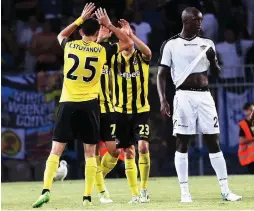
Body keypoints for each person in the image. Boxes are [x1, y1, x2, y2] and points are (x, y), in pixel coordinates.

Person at [32, 3, 132, 208]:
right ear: (97, 33)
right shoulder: (102, 50)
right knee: (90, 153)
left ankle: (46, 190)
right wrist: (110, 25)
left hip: (67, 103)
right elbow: (127, 42)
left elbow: (60, 35)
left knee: (55, 151)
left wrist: (79, 18)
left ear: (80, 31)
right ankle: (87, 197)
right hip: (89, 106)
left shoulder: (70, 45)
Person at [157, 7, 242, 203]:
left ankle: (225, 190)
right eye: (197, 20)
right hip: (183, 96)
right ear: (186, 20)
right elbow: (161, 75)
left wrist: (213, 60)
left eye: (201, 20)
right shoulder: (171, 44)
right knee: (183, 141)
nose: (200, 24)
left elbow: (217, 73)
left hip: (205, 96)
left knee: (214, 140)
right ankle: (185, 193)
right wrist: (163, 99)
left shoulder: (207, 43)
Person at [109, 20, 152, 204]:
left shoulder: (140, 56)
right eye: (123, 35)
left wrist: (132, 35)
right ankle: (134, 194)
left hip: (141, 110)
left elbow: (149, 52)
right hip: (120, 112)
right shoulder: (113, 58)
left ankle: (143, 189)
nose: (126, 38)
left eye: (129, 35)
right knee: (128, 152)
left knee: (143, 146)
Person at [238, 103, 254, 174]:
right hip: (250, 158)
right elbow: (241, 141)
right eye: (250, 110)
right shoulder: (243, 124)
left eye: (252, 110)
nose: (251, 112)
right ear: (245, 111)